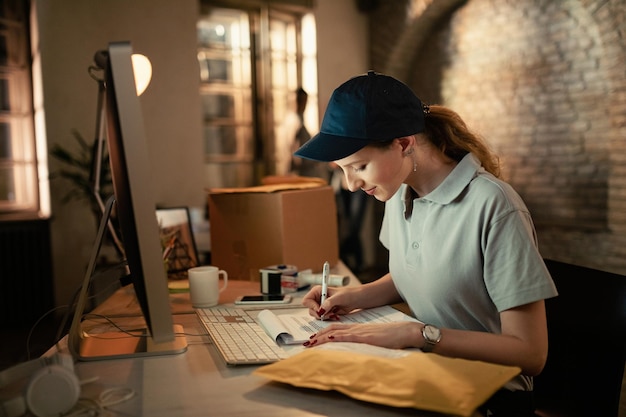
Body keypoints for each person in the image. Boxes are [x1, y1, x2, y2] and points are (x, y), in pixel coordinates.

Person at [294, 71, 558, 417]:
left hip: (491, 395)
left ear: (404, 143)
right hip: (425, 370)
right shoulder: (399, 192)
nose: (350, 185)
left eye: (358, 166)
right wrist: (352, 297)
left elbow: (530, 354)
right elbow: (416, 272)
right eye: (342, 170)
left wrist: (419, 334)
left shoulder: (494, 205)